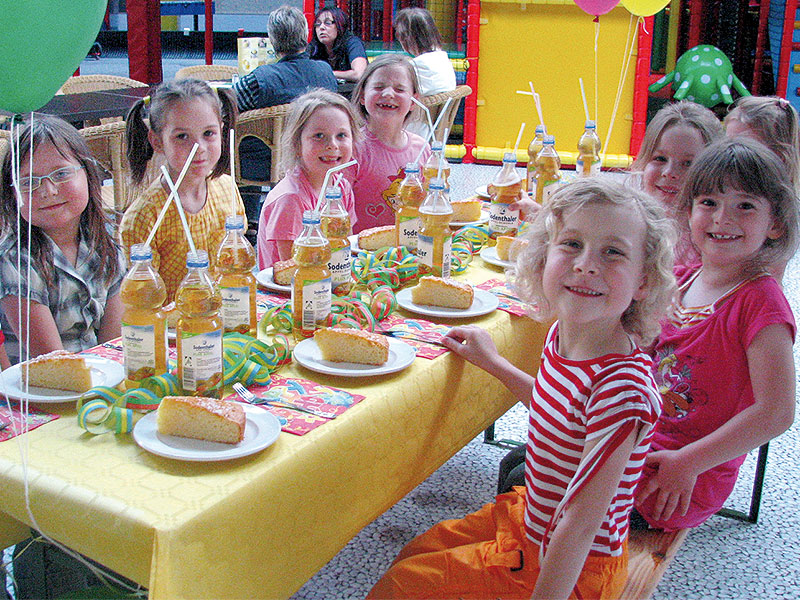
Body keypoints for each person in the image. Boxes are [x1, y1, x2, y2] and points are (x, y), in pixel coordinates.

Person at [368, 178, 677, 599]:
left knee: (405, 587)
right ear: (542, 257)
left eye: (613, 252)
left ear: (643, 281)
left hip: (570, 566)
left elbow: (581, 524)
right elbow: (558, 411)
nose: (586, 264)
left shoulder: (622, 391)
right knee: (420, 551)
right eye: (571, 244)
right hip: (531, 517)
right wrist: (494, 363)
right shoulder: (566, 336)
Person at [632, 138, 798, 531]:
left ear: (774, 223)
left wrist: (687, 463)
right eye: (708, 202)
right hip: (642, 444)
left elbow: (776, 413)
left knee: (532, 480)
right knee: (526, 461)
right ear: (688, 211)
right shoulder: (684, 280)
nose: (723, 219)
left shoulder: (762, 304)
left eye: (744, 206)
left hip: (684, 475)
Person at [0, 115, 125, 362]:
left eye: (61, 174)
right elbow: (54, 362)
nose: (48, 191)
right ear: (13, 194)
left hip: (98, 379)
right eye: (28, 182)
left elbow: (112, 346)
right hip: (44, 389)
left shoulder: (106, 243)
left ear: (88, 174)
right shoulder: (15, 260)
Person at [120, 79, 245, 303]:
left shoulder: (227, 187)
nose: (199, 148)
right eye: (182, 137)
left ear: (222, 131)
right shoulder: (143, 217)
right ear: (157, 142)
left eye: (208, 133)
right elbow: (142, 300)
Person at [257, 89, 361, 268]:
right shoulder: (291, 199)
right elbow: (292, 270)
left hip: (329, 277)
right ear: (297, 145)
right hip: (291, 290)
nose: (332, 145)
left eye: (341, 135)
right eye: (319, 136)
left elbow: (345, 248)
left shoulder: (340, 186)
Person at [234, 5, 338, 182]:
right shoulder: (325, 73)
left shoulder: (258, 80)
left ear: (272, 39)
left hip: (259, 165)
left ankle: (244, 210)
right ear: (306, 36)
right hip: (313, 159)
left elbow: (226, 108)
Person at [348, 54, 431, 232]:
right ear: (362, 96)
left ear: (413, 101)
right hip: (363, 254)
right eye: (378, 87)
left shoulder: (422, 148)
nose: (388, 94)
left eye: (400, 89)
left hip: (409, 250)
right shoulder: (352, 149)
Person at [724, 95, 800, 279]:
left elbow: (771, 277)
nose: (731, 153)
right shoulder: (728, 190)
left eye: (744, 147)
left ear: (779, 156)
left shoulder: (780, 206)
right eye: (727, 143)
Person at [393, 8, 456, 97]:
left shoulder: (418, 65)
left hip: (420, 110)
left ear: (406, 38)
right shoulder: (442, 59)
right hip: (436, 110)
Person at [308, 6, 368, 83]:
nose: (321, 27)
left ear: (340, 25)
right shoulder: (314, 47)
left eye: (328, 23)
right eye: (318, 24)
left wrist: (328, 73)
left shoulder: (352, 43)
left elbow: (359, 74)